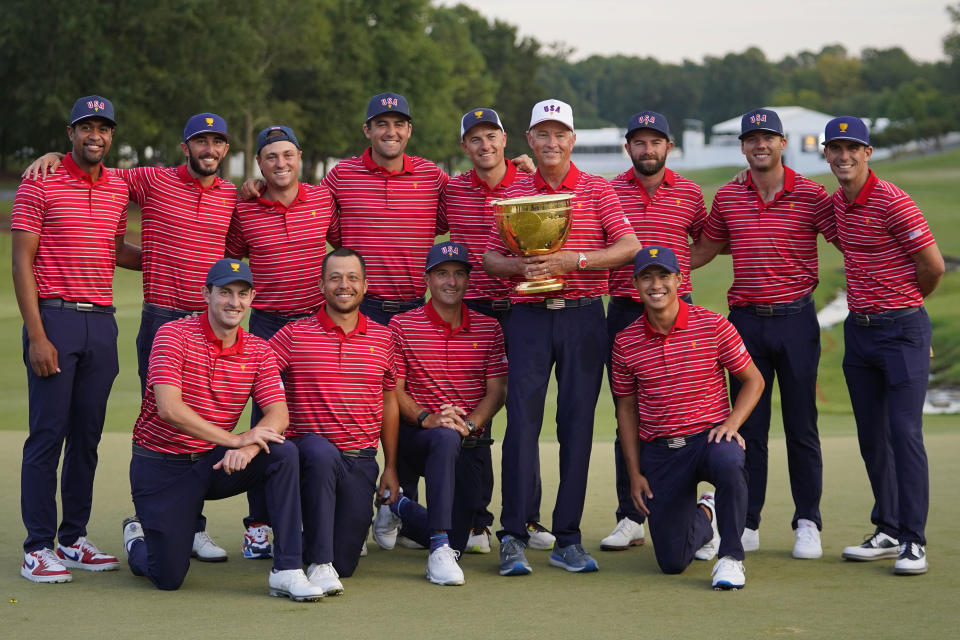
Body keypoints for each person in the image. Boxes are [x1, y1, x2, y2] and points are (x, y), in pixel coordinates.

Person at [24, 112, 238, 562]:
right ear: (185, 147)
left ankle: (190, 525)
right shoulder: (149, 181)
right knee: (161, 425)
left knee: (199, 429)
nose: (209, 150)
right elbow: (90, 164)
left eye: (217, 143)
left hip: (210, 321)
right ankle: (143, 520)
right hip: (162, 320)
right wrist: (50, 156)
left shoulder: (233, 195)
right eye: (201, 141)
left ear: (226, 150)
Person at [484, 98, 639, 576]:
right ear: (529, 140)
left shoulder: (597, 190)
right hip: (528, 318)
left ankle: (567, 538)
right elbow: (491, 259)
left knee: (577, 428)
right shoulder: (515, 190)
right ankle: (513, 534)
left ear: (573, 139)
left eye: (560, 135)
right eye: (542, 135)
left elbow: (630, 246)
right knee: (522, 426)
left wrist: (576, 261)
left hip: (583, 318)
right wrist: (520, 266)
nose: (551, 143)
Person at [121, 258, 320, 600]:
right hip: (161, 466)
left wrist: (248, 448)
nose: (234, 302)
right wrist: (235, 439)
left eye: (242, 294)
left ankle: (287, 569)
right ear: (206, 294)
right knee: (167, 575)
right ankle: (137, 538)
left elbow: (278, 414)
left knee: (283, 452)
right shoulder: (172, 334)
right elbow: (169, 408)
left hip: (211, 462)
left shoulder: (259, 349)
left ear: (252, 298)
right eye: (225, 292)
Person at [691, 108, 838, 559]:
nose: (760, 145)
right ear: (742, 146)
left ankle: (807, 521)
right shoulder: (729, 197)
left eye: (768, 138)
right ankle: (748, 521)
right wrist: (645, 262)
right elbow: (705, 249)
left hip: (795, 320)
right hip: (747, 322)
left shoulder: (812, 194)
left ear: (782, 143)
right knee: (748, 427)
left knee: (801, 425)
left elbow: (849, 236)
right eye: (752, 139)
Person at [13, 95, 141, 583]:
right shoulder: (40, 182)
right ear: (70, 134)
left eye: (104, 128)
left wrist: (167, 257)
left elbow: (115, 251)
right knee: (49, 436)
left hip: (101, 323)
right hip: (56, 319)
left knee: (86, 437)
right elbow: (22, 261)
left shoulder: (117, 185)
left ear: (111, 136)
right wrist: (38, 336)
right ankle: (37, 546)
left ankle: (72, 538)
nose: (96, 135)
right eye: (86, 127)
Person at [822, 117, 944, 575]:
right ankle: (888, 528)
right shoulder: (837, 204)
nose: (844, 156)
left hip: (903, 331)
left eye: (853, 148)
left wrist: (909, 308)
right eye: (836, 149)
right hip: (860, 331)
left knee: (905, 434)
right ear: (828, 154)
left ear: (867, 152)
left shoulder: (894, 201)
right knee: (872, 436)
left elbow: (933, 267)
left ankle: (914, 541)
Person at [612, 246, 764, 590]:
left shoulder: (713, 325)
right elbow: (626, 409)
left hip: (708, 440)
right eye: (647, 277)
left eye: (664, 276)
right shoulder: (625, 342)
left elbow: (754, 380)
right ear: (635, 284)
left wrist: (732, 424)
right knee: (672, 561)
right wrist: (635, 473)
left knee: (730, 458)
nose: (656, 285)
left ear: (679, 280)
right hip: (662, 451)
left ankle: (731, 558)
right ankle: (706, 513)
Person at [440, 108, 551, 554]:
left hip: (523, 308)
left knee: (524, 416)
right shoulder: (452, 190)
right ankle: (477, 520)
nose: (484, 145)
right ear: (465, 147)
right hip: (473, 311)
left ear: (506, 140)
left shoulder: (529, 184)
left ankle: (526, 515)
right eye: (475, 139)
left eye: (492, 137)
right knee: (475, 414)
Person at [227, 125, 337, 559]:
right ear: (260, 163)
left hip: (314, 324)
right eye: (271, 157)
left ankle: (313, 517)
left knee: (312, 417)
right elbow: (232, 263)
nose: (280, 164)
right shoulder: (247, 208)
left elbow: (344, 250)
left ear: (300, 157)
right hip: (268, 326)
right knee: (264, 424)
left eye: (288, 155)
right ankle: (258, 524)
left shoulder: (324, 199)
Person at [600, 110, 708, 552]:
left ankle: (695, 504)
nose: (648, 150)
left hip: (678, 316)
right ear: (629, 148)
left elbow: (701, 243)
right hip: (625, 312)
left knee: (682, 409)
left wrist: (670, 285)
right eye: (639, 143)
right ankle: (630, 515)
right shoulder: (607, 192)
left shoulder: (690, 193)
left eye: (656, 142)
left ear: (669, 147)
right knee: (627, 412)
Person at [372, 241, 508, 585]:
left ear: (467, 280)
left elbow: (497, 391)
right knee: (443, 436)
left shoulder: (489, 328)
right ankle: (438, 548)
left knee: (461, 537)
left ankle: (398, 506)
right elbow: (394, 390)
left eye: (460, 274)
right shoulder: (401, 326)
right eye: (443, 274)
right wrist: (426, 418)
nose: (452, 281)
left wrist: (470, 423)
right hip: (416, 438)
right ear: (428, 280)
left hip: (466, 440)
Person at [267, 247, 400, 590]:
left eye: (353, 277)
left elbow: (389, 401)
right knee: (321, 451)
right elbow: (260, 376)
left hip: (361, 461)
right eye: (336, 277)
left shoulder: (384, 338)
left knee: (347, 563)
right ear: (322, 284)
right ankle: (318, 561)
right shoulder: (295, 334)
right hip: (311, 456)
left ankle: (316, 547)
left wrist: (390, 467)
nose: (345, 285)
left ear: (365, 285)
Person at [322, 92, 448, 326]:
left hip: (416, 309)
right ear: (367, 130)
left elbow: (469, 193)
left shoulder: (430, 174)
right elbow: (310, 207)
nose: (391, 132)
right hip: (360, 307)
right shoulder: (343, 174)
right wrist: (260, 186)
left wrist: (518, 169)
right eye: (382, 124)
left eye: (398, 124)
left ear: (409, 130)